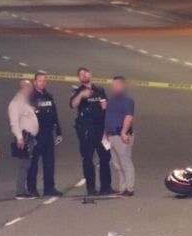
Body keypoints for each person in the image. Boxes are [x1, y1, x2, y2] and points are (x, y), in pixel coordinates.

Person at [70, 67, 112, 196]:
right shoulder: (78, 91)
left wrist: (108, 128)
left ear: (90, 75)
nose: (83, 76)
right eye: (80, 75)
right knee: (87, 159)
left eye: (85, 73)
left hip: (100, 128)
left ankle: (106, 187)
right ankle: (91, 188)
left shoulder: (99, 90)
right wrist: (81, 95)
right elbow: (73, 105)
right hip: (86, 130)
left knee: (105, 158)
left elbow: (106, 106)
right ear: (79, 78)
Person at [27, 72, 63, 197]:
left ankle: (49, 188)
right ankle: (32, 189)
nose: (42, 83)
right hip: (35, 133)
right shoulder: (30, 97)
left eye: (44, 81)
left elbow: (54, 115)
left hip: (48, 133)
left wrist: (58, 132)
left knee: (49, 162)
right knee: (33, 162)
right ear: (34, 82)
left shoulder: (48, 96)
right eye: (40, 81)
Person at [105, 76, 136, 197]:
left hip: (121, 135)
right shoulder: (112, 100)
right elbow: (109, 117)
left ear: (123, 85)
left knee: (125, 162)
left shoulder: (127, 100)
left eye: (117, 84)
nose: (115, 86)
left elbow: (129, 117)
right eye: (114, 84)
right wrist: (106, 132)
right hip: (112, 135)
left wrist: (124, 132)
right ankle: (123, 188)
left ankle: (129, 188)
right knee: (117, 164)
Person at [9, 79, 39, 200]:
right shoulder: (16, 103)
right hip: (24, 137)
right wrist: (19, 138)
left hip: (28, 137)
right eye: (29, 88)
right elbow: (14, 122)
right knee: (23, 165)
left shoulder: (23, 102)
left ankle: (23, 190)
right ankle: (20, 192)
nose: (31, 90)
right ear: (24, 88)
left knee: (27, 165)